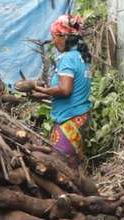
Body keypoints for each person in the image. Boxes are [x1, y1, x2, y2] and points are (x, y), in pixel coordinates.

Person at [33, 14, 93, 168]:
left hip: (70, 119)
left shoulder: (67, 58)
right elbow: (73, 90)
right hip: (79, 117)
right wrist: (41, 94)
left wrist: (40, 89)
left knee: (61, 169)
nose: (53, 41)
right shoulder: (80, 56)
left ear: (64, 36)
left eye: (54, 36)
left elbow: (65, 90)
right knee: (71, 166)